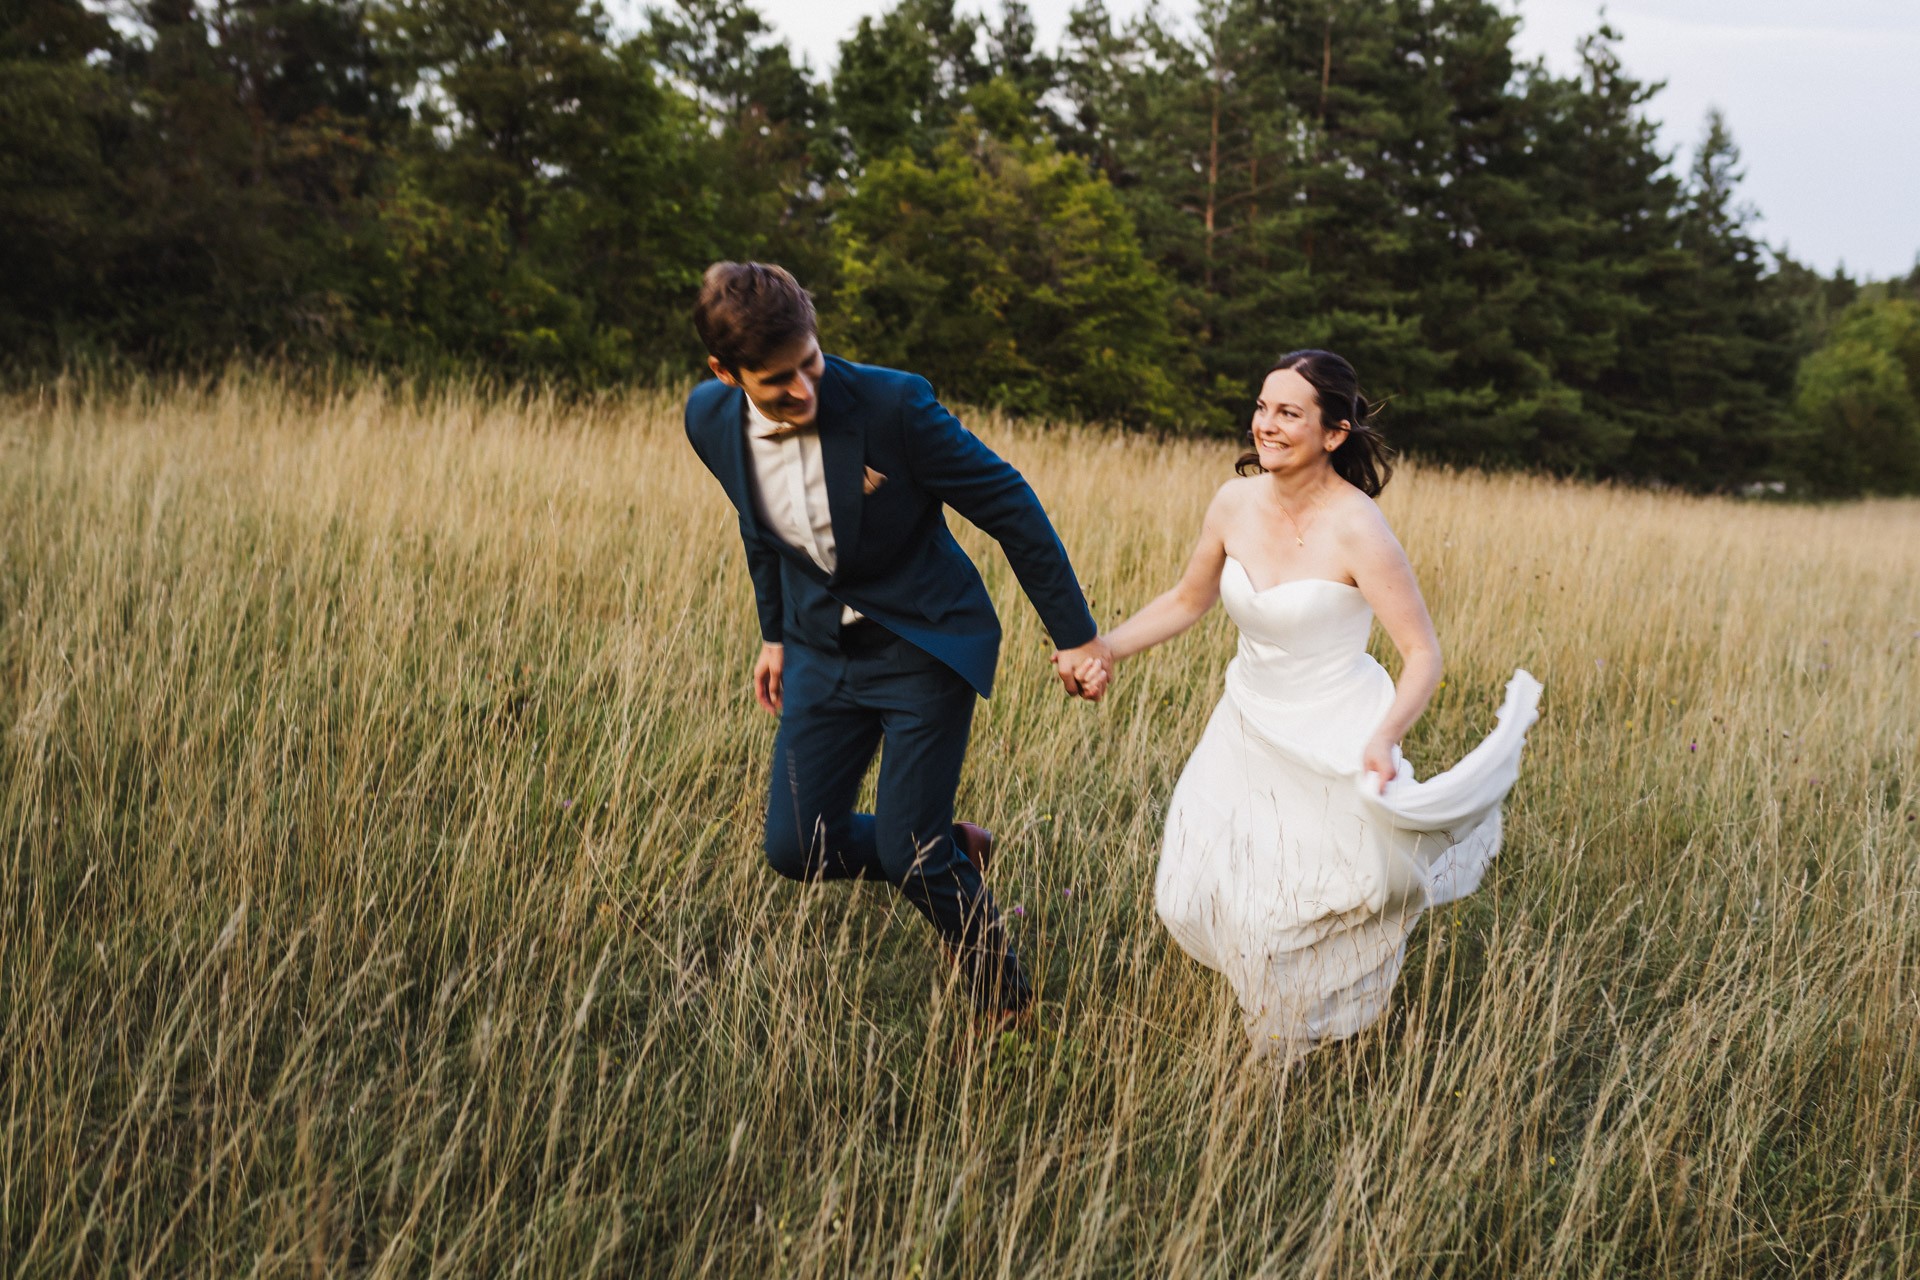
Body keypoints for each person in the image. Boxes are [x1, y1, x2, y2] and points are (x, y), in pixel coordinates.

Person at [1073, 350, 1541, 1060]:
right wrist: (1106, 648)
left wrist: (1385, 737)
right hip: (1245, 727)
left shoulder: (1359, 528)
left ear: (1334, 433)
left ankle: (1280, 1056)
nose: (1266, 424)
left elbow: (1423, 655)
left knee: (1296, 910)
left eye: (1289, 413)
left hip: (1335, 734)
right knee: (1187, 895)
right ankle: (1278, 1030)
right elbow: (1188, 599)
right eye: (1262, 407)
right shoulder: (1233, 503)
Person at [681, 261, 1113, 1014]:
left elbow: (1009, 504)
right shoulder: (708, 419)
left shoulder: (893, 404)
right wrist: (774, 633)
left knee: (911, 853)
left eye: (810, 363)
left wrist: (1075, 636)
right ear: (725, 373)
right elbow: (758, 525)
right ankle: (953, 848)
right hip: (818, 651)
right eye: (778, 381)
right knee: (796, 847)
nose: (804, 389)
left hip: (922, 644)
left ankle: (1007, 1003)